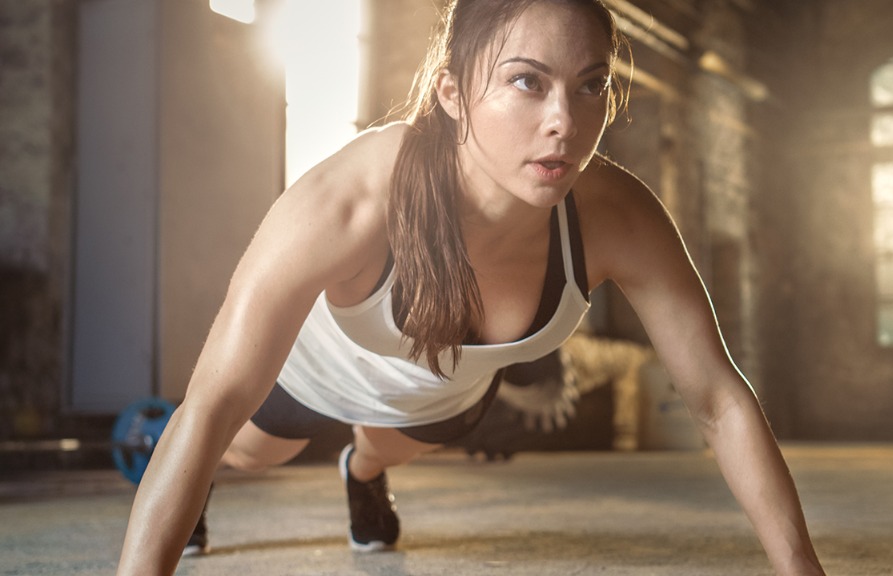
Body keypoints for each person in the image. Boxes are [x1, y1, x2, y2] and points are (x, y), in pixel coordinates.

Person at [116, 0, 827, 574]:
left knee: (384, 448)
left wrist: (803, 569)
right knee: (248, 449)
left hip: (442, 396)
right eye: (527, 81)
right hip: (314, 376)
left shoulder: (617, 216)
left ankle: (362, 475)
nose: (566, 122)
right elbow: (210, 406)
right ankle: (199, 482)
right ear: (452, 90)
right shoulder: (351, 200)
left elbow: (718, 400)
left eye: (591, 85)